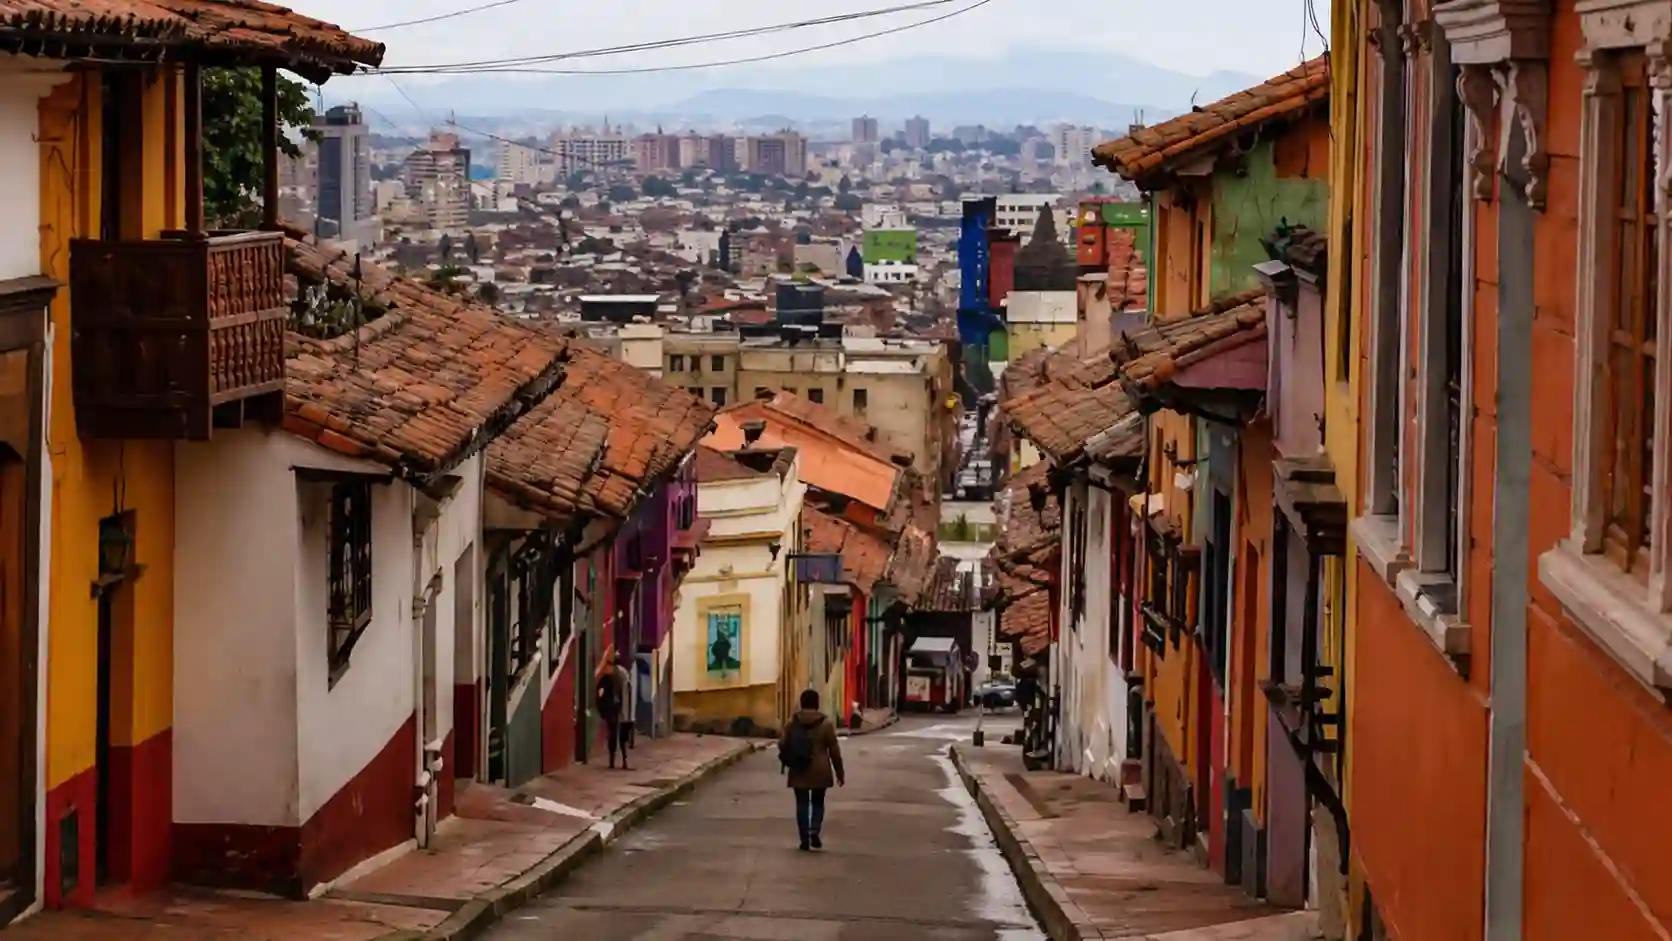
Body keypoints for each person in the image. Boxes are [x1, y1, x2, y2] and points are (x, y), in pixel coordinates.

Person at [779, 689, 844, 851]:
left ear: (801, 703)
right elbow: (834, 751)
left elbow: (782, 744)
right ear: (817, 703)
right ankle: (814, 829)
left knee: (801, 804)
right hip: (820, 770)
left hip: (799, 768)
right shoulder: (826, 724)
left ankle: (804, 839)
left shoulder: (791, 723)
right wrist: (839, 772)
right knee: (817, 801)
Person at [596, 654, 633, 770]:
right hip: (617, 711)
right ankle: (618, 760)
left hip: (617, 711)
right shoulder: (617, 676)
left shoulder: (617, 676)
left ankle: (618, 760)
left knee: (617, 736)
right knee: (616, 736)